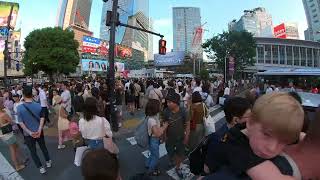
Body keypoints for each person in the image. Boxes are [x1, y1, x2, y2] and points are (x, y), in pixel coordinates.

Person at [201, 93, 304, 180]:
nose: (272, 148)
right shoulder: (236, 145)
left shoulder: (255, 127)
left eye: (283, 141)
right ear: (249, 123)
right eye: (267, 134)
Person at [204, 97, 252, 174]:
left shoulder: (246, 133)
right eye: (249, 117)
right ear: (236, 120)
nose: (252, 120)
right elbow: (208, 168)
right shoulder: (218, 139)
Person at [17, 85, 51, 174]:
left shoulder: (19, 108)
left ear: (23, 95)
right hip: (39, 132)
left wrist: (29, 132)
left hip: (28, 135)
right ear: (32, 94)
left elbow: (20, 123)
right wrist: (39, 130)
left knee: (33, 151)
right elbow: (42, 118)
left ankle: (40, 167)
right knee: (43, 147)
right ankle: (48, 162)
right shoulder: (38, 106)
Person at [163, 92, 190, 179]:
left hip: (180, 137)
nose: (168, 104)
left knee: (179, 154)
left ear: (176, 102)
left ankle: (178, 167)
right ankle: (173, 160)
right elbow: (164, 124)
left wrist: (186, 137)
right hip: (169, 138)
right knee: (170, 152)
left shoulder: (184, 111)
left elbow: (187, 124)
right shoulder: (166, 111)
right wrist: (164, 136)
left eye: (170, 102)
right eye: (167, 102)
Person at [0, 98, 25, 171]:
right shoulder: (3, 114)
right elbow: (12, 122)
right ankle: (17, 166)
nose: (3, 104)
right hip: (9, 135)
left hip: (3, 135)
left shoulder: (2, 113)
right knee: (13, 150)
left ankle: (22, 159)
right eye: (2, 103)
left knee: (16, 146)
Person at [145, 99, 169, 176]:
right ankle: (150, 171)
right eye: (159, 105)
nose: (160, 106)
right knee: (156, 156)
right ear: (155, 108)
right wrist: (165, 126)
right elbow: (157, 133)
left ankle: (148, 164)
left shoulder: (152, 117)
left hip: (153, 139)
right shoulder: (152, 120)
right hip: (153, 140)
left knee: (152, 153)